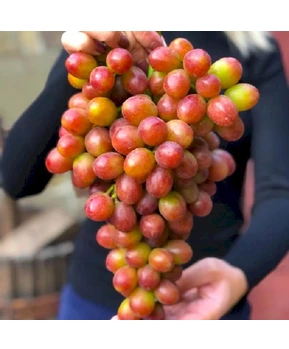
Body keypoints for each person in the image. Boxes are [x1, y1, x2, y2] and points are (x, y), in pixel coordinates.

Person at [2, 31, 289, 320]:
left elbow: (280, 192)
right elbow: (16, 179)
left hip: (212, 298)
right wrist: (84, 56)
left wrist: (239, 274)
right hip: (96, 295)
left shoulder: (257, 47)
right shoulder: (109, 35)